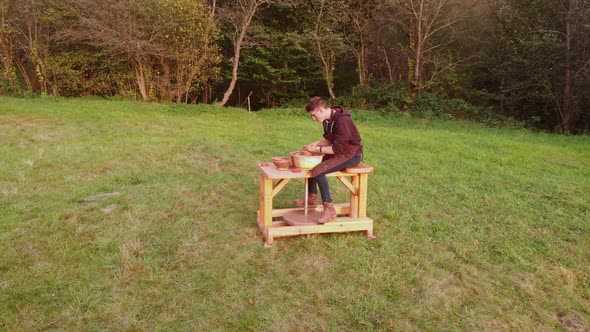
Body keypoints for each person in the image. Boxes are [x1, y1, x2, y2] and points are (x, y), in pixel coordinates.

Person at [295, 96, 363, 223]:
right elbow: (330, 141)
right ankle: (312, 198)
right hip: (339, 150)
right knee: (312, 161)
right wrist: (316, 144)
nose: (313, 118)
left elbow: (337, 149)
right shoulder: (327, 120)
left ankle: (329, 208)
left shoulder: (343, 121)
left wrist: (317, 149)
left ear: (321, 111)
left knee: (319, 170)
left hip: (351, 154)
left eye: (314, 115)